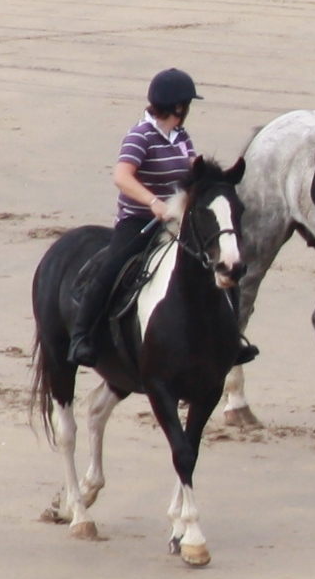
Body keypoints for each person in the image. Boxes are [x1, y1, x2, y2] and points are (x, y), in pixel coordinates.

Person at [67, 68, 255, 368]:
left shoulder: (180, 136)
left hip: (174, 219)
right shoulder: (140, 136)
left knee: (217, 264)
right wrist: (153, 203)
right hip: (139, 220)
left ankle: (231, 339)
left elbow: (193, 169)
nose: (188, 110)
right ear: (177, 106)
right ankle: (81, 336)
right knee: (113, 267)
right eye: (187, 104)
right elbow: (122, 176)